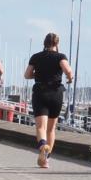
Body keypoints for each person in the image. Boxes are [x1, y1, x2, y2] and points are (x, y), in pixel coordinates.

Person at [24, 33, 74, 168]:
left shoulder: (36, 57)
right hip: (56, 94)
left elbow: (27, 74)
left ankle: (42, 147)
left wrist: (39, 74)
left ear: (44, 43)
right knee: (51, 130)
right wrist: (69, 78)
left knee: (41, 127)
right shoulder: (60, 56)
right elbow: (68, 70)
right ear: (57, 44)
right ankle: (46, 160)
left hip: (40, 92)